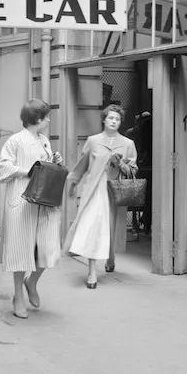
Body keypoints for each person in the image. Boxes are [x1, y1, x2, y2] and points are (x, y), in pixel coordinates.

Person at [0, 99, 63, 319]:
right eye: (46, 116)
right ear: (36, 118)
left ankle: (31, 281)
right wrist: (27, 171)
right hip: (22, 199)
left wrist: (53, 160)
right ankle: (18, 296)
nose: (48, 120)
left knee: (48, 246)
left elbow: (45, 165)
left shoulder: (44, 140)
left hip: (43, 200)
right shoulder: (15, 141)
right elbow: (3, 167)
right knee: (20, 250)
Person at [63, 104, 138, 289]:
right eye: (110, 118)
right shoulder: (93, 141)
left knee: (110, 229)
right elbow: (82, 165)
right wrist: (73, 183)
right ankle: (92, 271)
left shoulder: (128, 144)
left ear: (121, 122)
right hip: (93, 191)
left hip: (114, 191)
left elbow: (133, 170)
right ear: (104, 120)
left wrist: (120, 163)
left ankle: (110, 256)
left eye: (117, 119)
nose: (114, 121)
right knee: (93, 228)